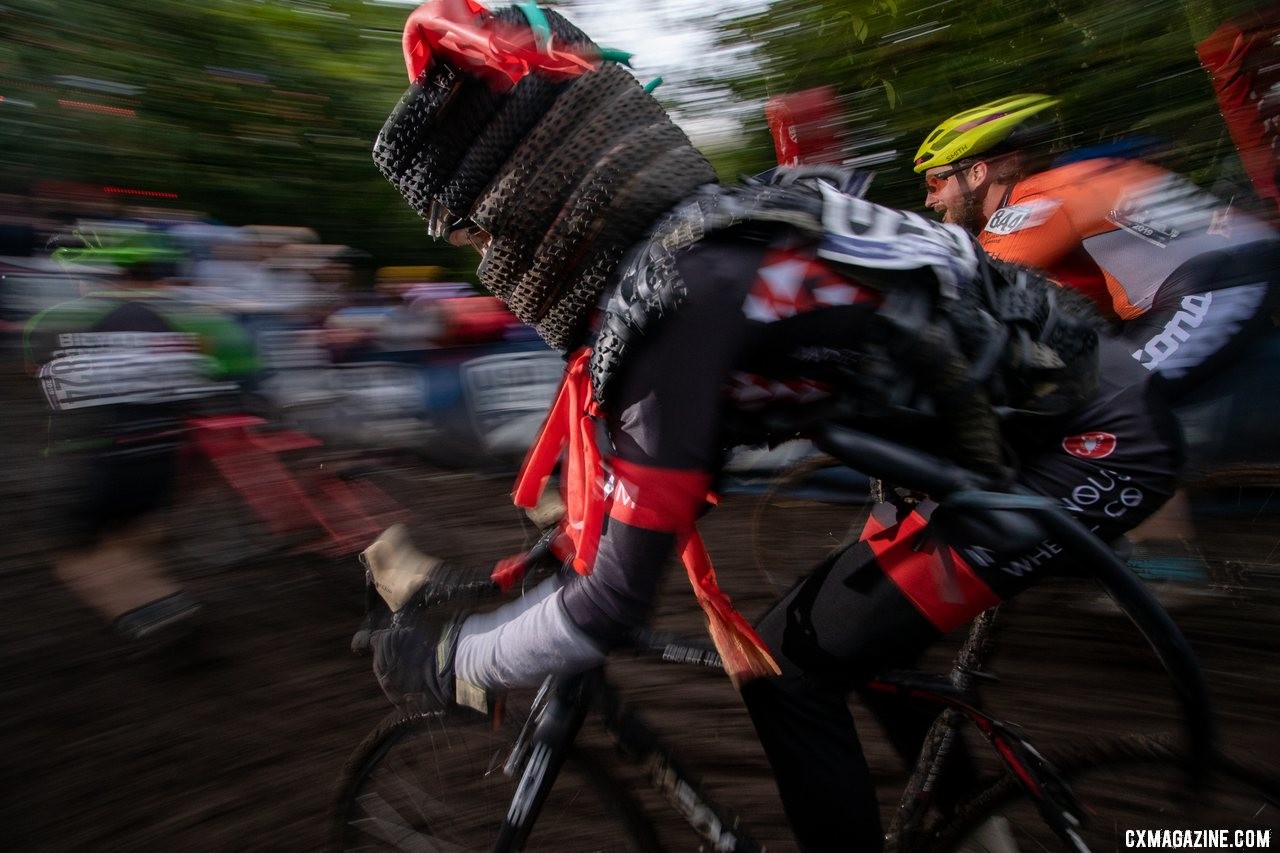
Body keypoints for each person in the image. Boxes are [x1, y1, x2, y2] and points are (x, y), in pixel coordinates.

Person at [361, 3, 1183, 849]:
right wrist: (552, 550)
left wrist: (455, 657)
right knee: (856, 639)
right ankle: (974, 828)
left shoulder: (670, 317)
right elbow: (670, 466)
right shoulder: (716, 229)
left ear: (534, 207)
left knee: (791, 665)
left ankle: (981, 830)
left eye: (480, 233)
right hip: (1031, 427)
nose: (483, 258)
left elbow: (611, 603)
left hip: (1084, 442)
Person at [914, 93, 1280, 406]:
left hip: (1218, 279)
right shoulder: (1062, 182)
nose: (930, 199)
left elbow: (974, 282)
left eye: (935, 181)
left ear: (977, 173)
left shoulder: (1034, 202)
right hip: (1218, 273)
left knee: (1117, 399)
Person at [24, 233, 245, 656]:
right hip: (162, 454)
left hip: (104, 453)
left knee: (73, 549)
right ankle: (165, 604)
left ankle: (151, 615)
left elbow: (46, 380)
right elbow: (215, 388)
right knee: (126, 537)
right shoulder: (195, 320)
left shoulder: (73, 318)